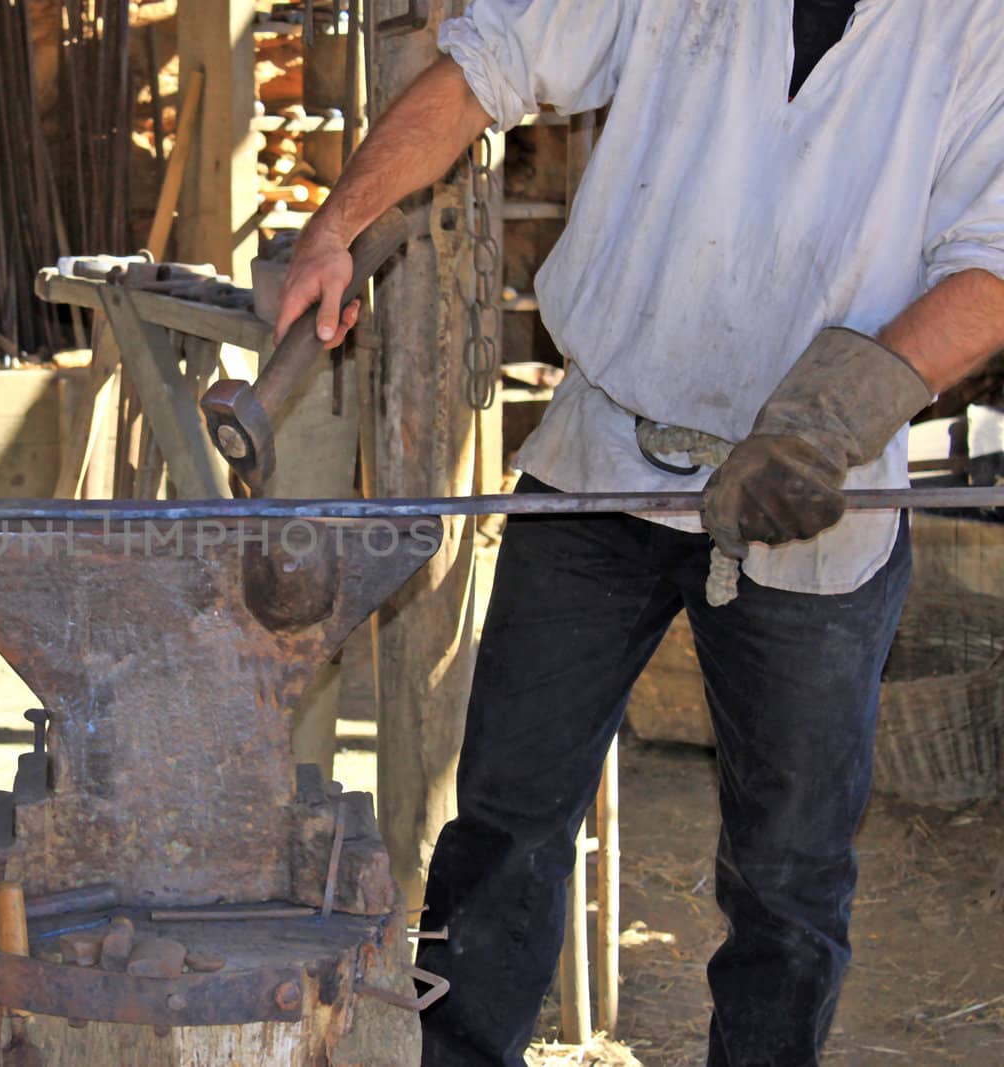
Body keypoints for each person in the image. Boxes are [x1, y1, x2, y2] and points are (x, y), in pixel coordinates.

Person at [274, 2, 1004, 1064]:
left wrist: (823, 425)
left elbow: (988, 268)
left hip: (814, 493)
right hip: (603, 451)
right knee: (504, 825)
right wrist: (335, 224)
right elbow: (487, 66)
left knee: (790, 875)